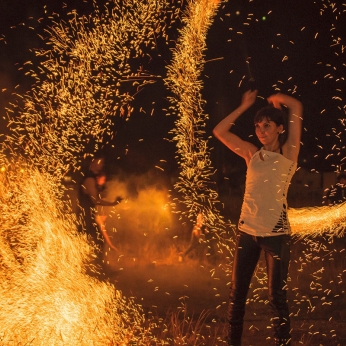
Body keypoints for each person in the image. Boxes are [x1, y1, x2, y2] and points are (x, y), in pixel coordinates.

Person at [213, 89, 303, 346]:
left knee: (276, 297)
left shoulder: (288, 155)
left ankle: (282, 343)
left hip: (276, 236)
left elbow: (296, 106)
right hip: (247, 232)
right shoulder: (251, 153)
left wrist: (279, 99)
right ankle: (233, 343)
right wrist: (244, 106)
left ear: (280, 129)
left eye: (267, 125)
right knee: (237, 294)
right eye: (257, 126)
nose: (261, 130)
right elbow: (219, 132)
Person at [78, 156, 122, 275]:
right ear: (92, 163)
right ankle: (96, 268)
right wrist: (113, 203)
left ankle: (94, 267)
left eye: (102, 162)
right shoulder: (89, 179)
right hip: (85, 216)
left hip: (87, 215)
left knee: (95, 240)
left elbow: (93, 197)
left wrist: (101, 195)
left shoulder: (91, 179)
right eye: (99, 162)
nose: (102, 164)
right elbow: (94, 200)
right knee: (96, 240)